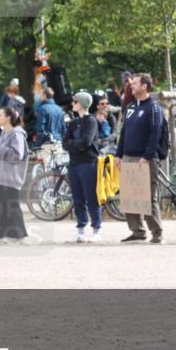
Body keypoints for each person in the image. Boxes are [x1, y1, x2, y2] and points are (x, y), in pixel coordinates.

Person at [116, 73, 165, 244]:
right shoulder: (130, 107)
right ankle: (137, 231)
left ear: (145, 86)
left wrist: (147, 156)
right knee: (129, 196)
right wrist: (118, 154)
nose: (131, 86)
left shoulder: (154, 108)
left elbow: (155, 133)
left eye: (135, 83)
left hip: (145, 158)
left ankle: (157, 232)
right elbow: (124, 132)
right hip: (128, 156)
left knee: (147, 196)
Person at [64, 91, 102, 243]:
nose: (72, 104)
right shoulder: (73, 122)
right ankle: (81, 228)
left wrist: (73, 145)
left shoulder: (91, 121)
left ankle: (96, 229)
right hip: (74, 163)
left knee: (91, 196)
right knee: (77, 197)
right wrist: (75, 146)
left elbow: (86, 142)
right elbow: (64, 142)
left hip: (88, 162)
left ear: (82, 103)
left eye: (75, 101)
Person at [0, 106, 29, 242]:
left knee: (12, 206)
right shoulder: (2, 133)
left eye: (0, 115)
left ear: (8, 117)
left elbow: (17, 155)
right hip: (1, 176)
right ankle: (4, 234)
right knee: (2, 206)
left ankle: (18, 235)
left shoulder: (17, 134)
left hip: (12, 176)